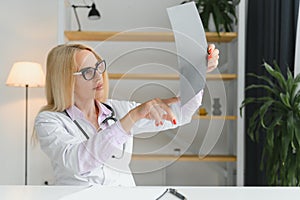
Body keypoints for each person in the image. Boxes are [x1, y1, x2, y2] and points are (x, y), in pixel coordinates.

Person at [34, 43, 219, 186]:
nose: (99, 76)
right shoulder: (49, 121)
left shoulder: (116, 110)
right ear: (65, 80)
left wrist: (198, 71)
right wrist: (131, 118)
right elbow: (80, 162)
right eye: (88, 72)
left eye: (99, 67)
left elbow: (181, 113)